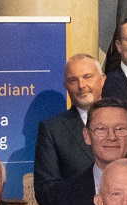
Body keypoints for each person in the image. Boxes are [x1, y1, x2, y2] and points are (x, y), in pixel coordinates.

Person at [38, 99, 127, 205]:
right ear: (87, 136)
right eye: (101, 129)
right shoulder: (60, 199)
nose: (111, 137)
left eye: (120, 129)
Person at [36, 55, 107, 188]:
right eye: (73, 80)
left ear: (102, 80)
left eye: (87, 77)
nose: (81, 85)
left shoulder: (126, 120)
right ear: (66, 86)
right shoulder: (53, 130)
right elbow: (46, 189)